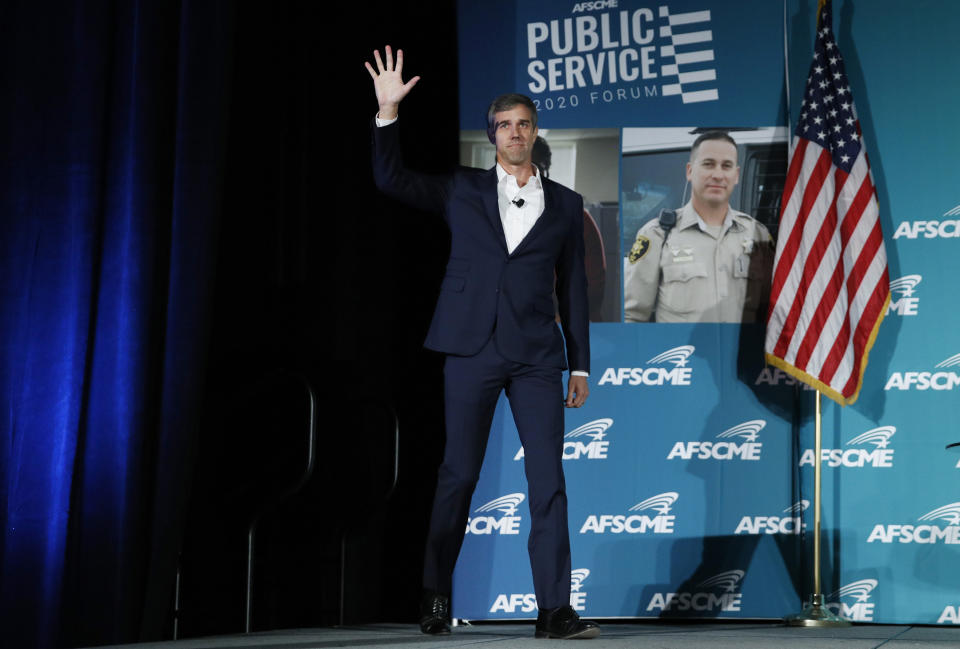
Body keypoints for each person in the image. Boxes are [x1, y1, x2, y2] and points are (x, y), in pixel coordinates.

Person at [365, 46, 599, 640]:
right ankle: (436, 596)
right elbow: (389, 179)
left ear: (535, 132)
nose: (515, 134)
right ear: (492, 134)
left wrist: (581, 366)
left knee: (548, 482)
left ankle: (554, 610)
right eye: (504, 126)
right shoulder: (461, 189)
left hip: (539, 357)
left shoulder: (568, 205)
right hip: (470, 349)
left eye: (524, 124)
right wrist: (387, 113)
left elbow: (573, 289)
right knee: (457, 475)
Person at [623, 131, 774, 323]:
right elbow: (632, 317)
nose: (718, 175)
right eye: (708, 164)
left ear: (736, 176)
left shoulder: (757, 233)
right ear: (689, 171)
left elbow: (772, 315)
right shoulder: (658, 235)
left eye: (726, 166)